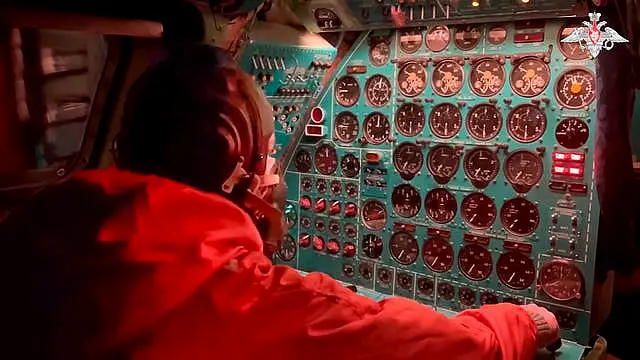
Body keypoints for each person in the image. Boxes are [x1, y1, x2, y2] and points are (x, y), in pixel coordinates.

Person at [1, 44, 558, 360]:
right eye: (269, 157)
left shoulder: (30, 230)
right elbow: (451, 352)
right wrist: (524, 324)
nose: (273, 174)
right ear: (237, 166)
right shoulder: (262, 303)